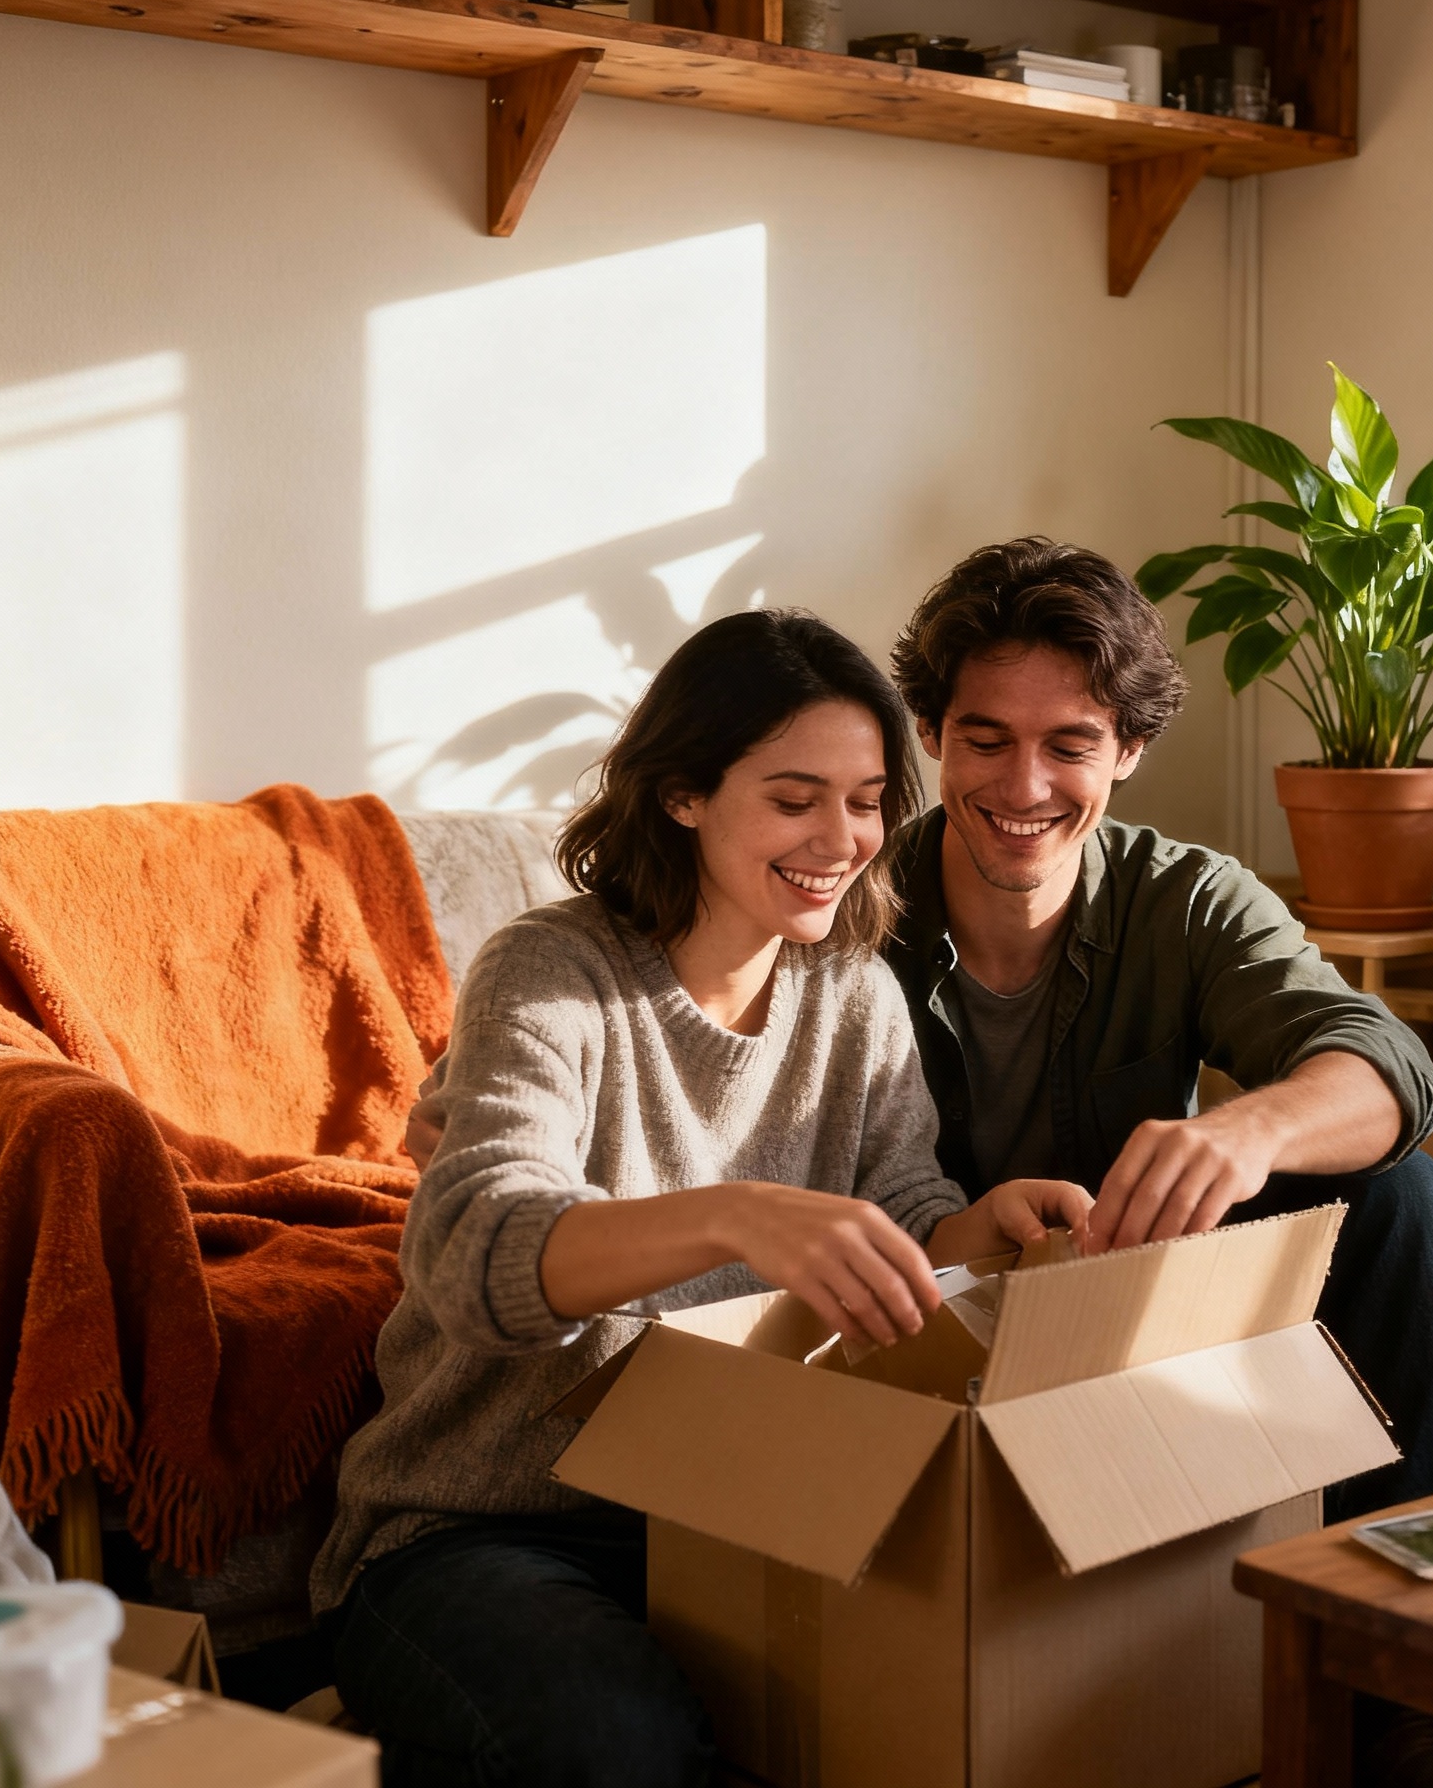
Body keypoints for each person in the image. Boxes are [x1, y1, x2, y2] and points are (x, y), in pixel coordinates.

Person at [324, 610, 1091, 1788]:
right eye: (793, 799)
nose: (840, 838)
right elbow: (471, 1251)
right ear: (682, 791)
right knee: (617, 1745)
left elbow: (903, 1207)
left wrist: (976, 1228)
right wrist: (736, 1213)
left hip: (732, 1509)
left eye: (865, 800)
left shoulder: (852, 994)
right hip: (484, 1527)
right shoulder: (552, 971)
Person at [884, 537, 1433, 1788]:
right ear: (931, 734)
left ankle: (1398, 1700)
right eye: (984, 738)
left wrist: (1244, 1129)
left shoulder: (1187, 897)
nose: (1022, 783)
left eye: (1069, 742)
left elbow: (1389, 1065)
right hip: (910, 1318)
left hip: (1128, 1312)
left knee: (1394, 1192)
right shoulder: (846, 902)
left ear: (1129, 747)